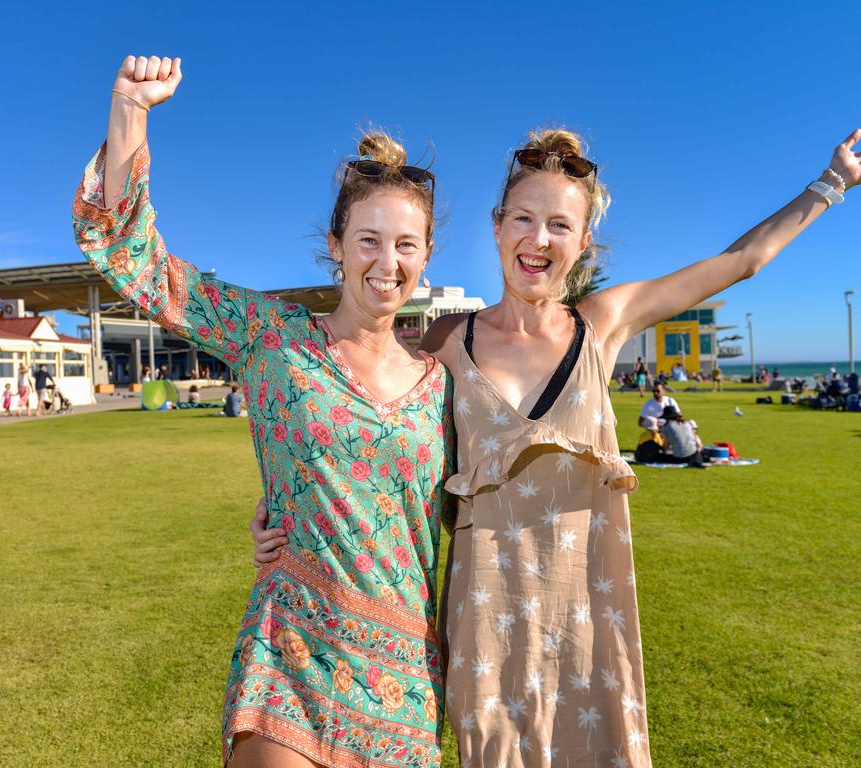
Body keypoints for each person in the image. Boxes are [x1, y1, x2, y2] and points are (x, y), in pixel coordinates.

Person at [255, 125, 861, 766]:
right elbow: (372, 425)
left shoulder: (601, 324)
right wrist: (287, 512)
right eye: (523, 217)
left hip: (589, 618)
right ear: (497, 226)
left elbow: (739, 263)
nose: (537, 239)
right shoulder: (445, 344)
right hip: (485, 622)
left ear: (584, 242)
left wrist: (831, 184)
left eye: (559, 225)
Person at [73, 55, 454, 768]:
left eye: (406, 244)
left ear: (427, 257)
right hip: (291, 650)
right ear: (336, 248)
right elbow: (135, 261)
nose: (387, 261)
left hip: (404, 680)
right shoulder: (271, 337)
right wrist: (130, 111)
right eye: (368, 240)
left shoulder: (445, 386)